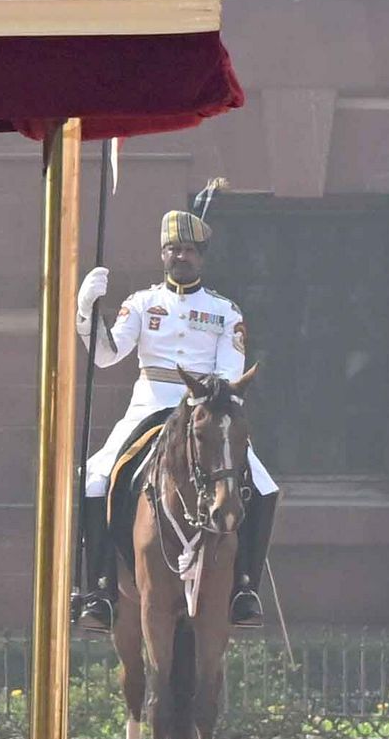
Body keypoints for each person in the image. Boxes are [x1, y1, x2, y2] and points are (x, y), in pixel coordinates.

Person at [74, 192, 281, 625]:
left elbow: (229, 372)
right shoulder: (142, 303)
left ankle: (245, 587)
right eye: (173, 249)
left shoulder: (224, 312)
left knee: (263, 486)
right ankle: (99, 590)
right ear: (162, 254)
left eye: (188, 249)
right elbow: (107, 355)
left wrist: (202, 401)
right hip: (149, 405)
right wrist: (87, 312)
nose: (180, 256)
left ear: (201, 256)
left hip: (204, 409)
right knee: (93, 478)